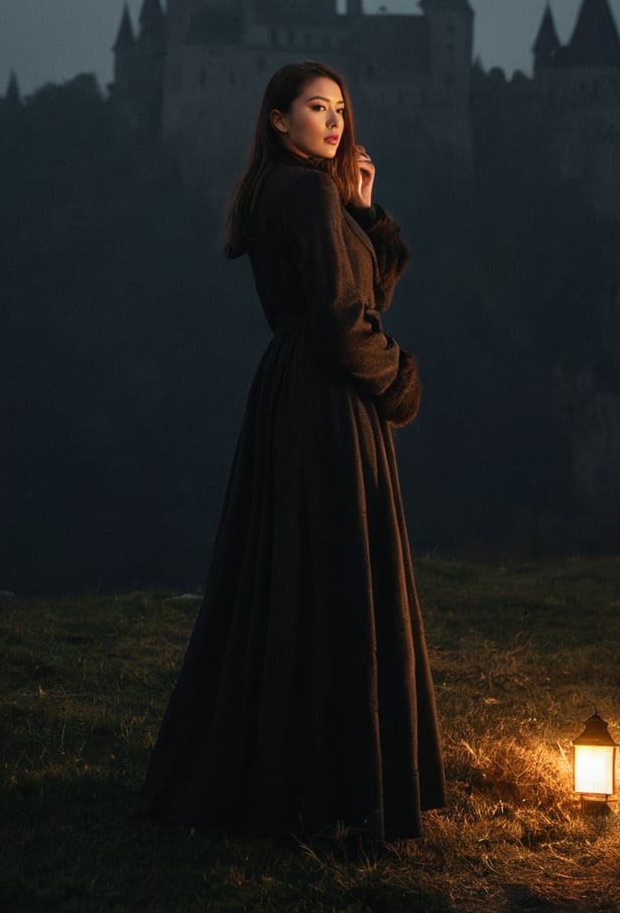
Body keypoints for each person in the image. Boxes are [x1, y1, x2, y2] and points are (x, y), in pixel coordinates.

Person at [140, 61, 446, 842]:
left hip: (296, 391)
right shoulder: (305, 192)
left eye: (340, 107)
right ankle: (335, 784)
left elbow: (355, 295)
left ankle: (291, 769)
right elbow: (348, 321)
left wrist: (366, 215)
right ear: (278, 119)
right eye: (317, 107)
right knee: (337, 580)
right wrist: (399, 382)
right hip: (327, 399)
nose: (335, 120)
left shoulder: (293, 189)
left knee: (293, 581)